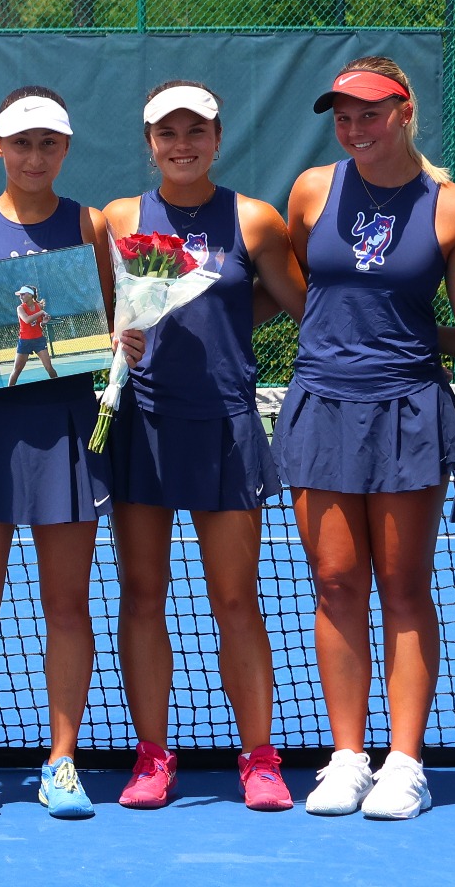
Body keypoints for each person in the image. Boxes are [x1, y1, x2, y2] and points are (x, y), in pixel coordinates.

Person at [278, 58, 455, 819]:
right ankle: (347, 758)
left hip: (407, 410)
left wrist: (410, 343)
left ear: (404, 112)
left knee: (402, 587)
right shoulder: (311, 190)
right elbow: (295, 288)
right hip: (320, 405)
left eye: (369, 113)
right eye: (343, 116)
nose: (355, 128)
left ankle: (404, 763)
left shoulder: (452, 207)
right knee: (335, 584)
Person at [101, 80, 307, 813]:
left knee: (236, 598)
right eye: (168, 133)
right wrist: (117, 338)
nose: (182, 145)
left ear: (218, 139)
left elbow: (297, 299)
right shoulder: (119, 219)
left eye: (196, 131)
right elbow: (99, 314)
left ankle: (260, 758)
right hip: (142, 424)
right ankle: (152, 757)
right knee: (142, 595)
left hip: (226, 425)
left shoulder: (254, 219)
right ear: (149, 143)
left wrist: (228, 321)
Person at [0, 88, 116, 819]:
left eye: (49, 144)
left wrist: (120, 339)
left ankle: (62, 763)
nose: (35, 157)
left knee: (67, 605)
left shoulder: (91, 224)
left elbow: (106, 317)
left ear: (64, 149)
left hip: (67, 430)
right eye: (22, 143)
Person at [10, 285, 57, 383]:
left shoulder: (39, 306)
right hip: (24, 341)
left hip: (39, 340)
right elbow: (27, 320)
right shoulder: (20, 308)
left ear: (30, 295)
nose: (20, 297)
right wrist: (41, 312)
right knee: (17, 370)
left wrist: (43, 323)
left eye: (23, 294)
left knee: (49, 367)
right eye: (20, 295)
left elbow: (39, 324)